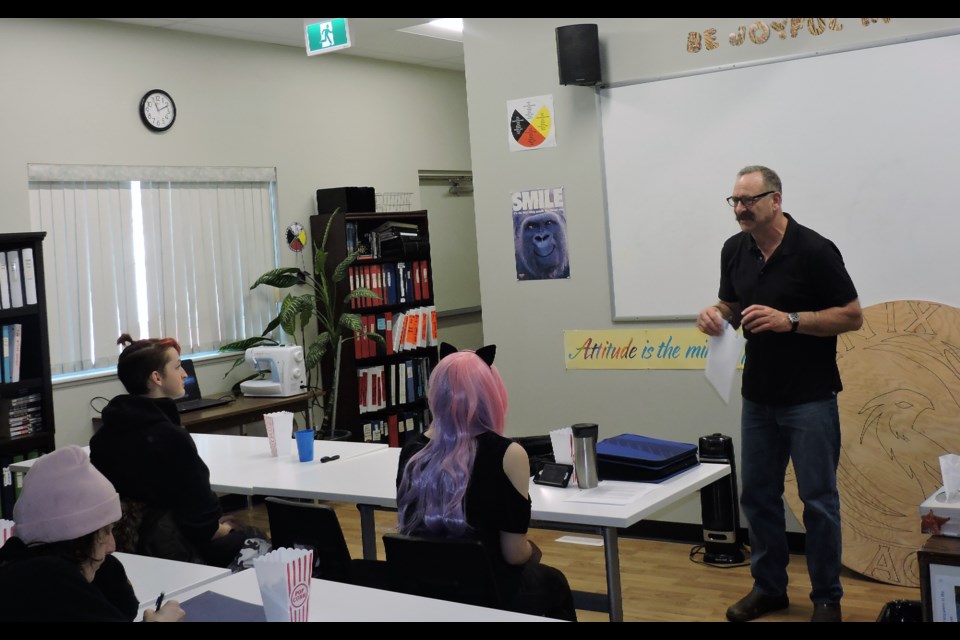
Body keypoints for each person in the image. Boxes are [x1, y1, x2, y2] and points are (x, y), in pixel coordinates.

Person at [696, 166, 862, 623]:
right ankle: (769, 588)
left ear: (776, 200)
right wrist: (715, 314)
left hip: (810, 396)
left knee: (818, 501)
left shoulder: (814, 250)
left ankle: (827, 597)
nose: (741, 209)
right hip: (759, 397)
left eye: (750, 200)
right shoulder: (735, 249)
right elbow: (731, 303)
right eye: (735, 201)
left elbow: (851, 316)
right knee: (759, 497)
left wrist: (791, 320)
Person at [396, 343, 577, 621]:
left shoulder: (412, 452)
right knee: (554, 582)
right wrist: (533, 551)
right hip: (489, 592)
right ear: (490, 395)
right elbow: (514, 554)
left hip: (424, 587)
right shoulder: (508, 454)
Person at [89, 334, 249, 568]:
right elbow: (204, 524)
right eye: (177, 366)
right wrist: (229, 529)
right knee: (256, 540)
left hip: (121, 546)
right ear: (156, 377)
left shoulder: (103, 437)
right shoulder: (172, 439)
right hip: (173, 548)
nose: (185, 373)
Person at [0, 446, 185, 621]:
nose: (112, 546)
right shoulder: (47, 580)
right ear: (77, 537)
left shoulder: (20, 567)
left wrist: (108, 573)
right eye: (104, 532)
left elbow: (120, 612)